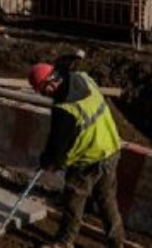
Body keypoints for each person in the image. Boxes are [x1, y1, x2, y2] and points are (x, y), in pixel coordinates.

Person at [29, 59, 124, 248]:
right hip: (111, 149)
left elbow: (57, 148)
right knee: (107, 201)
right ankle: (117, 243)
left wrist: (48, 162)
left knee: (74, 201)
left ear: (48, 85)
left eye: (42, 90)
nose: (44, 95)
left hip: (86, 161)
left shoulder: (64, 110)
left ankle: (65, 242)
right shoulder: (83, 78)